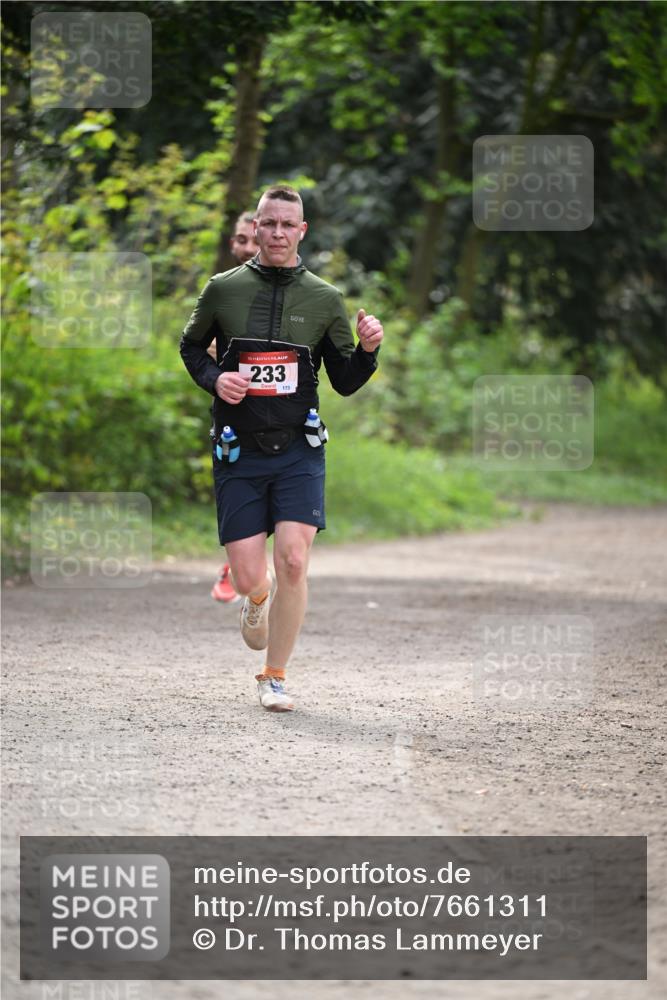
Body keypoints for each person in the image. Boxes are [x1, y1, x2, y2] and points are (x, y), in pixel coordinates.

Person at [180, 185, 383, 712]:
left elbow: (344, 379)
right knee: (253, 575)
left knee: (294, 560)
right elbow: (189, 346)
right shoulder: (223, 290)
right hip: (237, 450)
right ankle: (256, 596)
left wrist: (366, 350)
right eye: (267, 224)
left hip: (299, 448)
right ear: (257, 226)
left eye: (286, 225)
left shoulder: (325, 299)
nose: (275, 234)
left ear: (301, 232)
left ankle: (274, 675)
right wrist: (215, 379)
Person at [209, 212, 260, 603]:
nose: (246, 248)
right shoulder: (220, 291)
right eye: (240, 240)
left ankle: (247, 568)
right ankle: (241, 565)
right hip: (233, 420)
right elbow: (198, 348)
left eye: (253, 240)